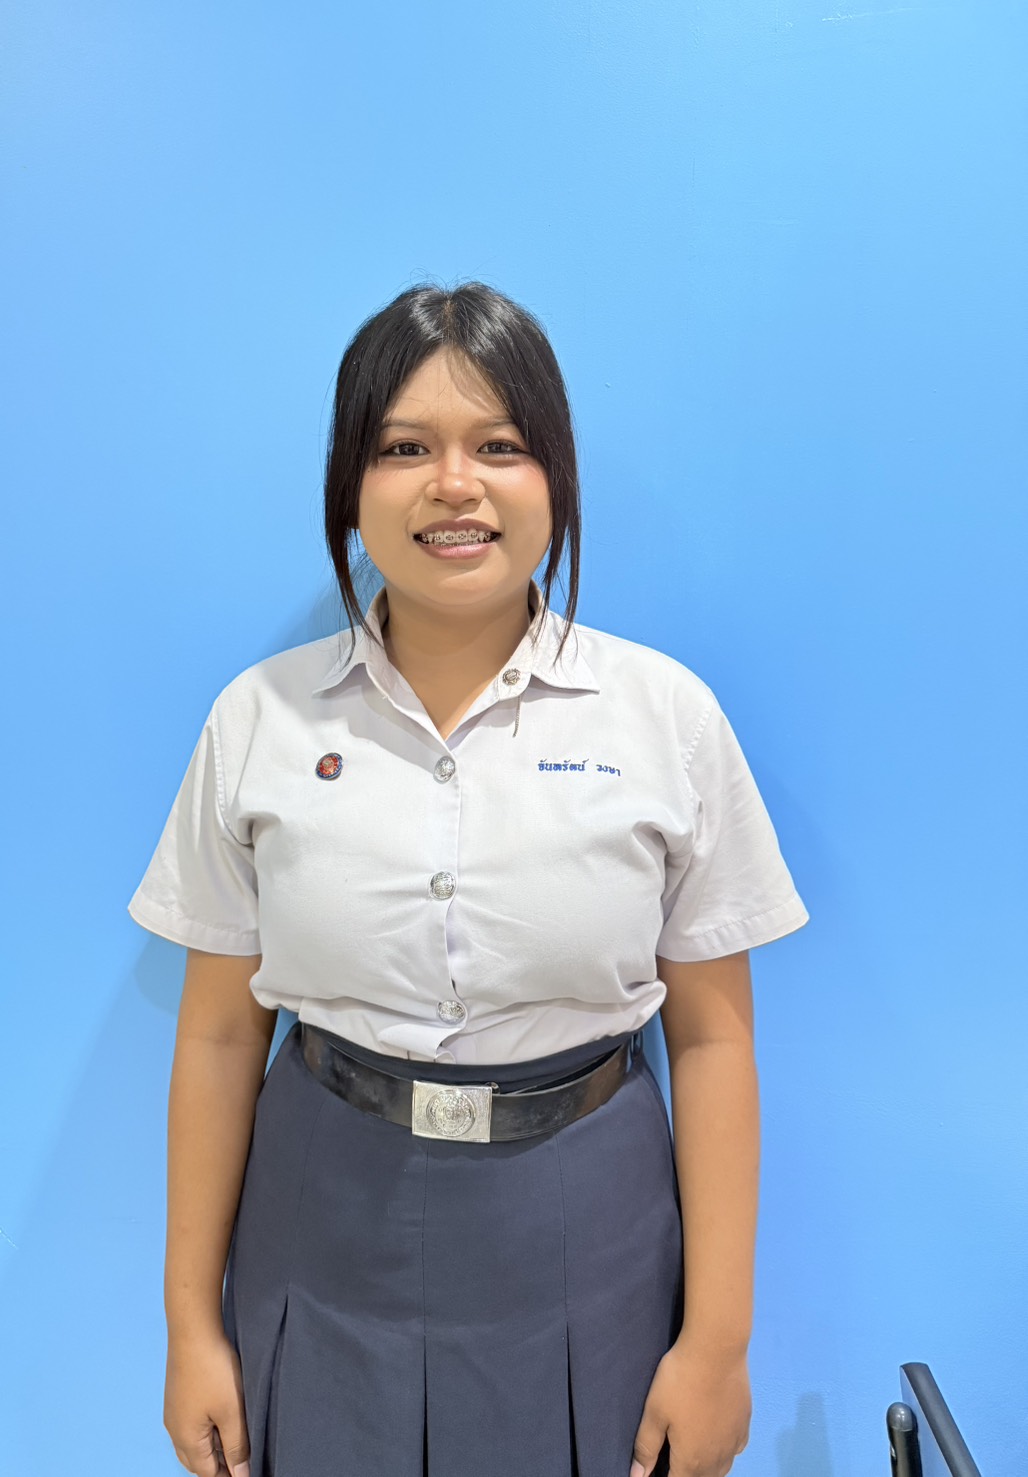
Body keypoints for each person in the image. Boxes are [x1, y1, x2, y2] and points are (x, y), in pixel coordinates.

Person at [127, 280, 809, 1477]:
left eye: (499, 445)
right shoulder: (259, 720)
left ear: (555, 478)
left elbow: (711, 1041)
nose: (454, 484)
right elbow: (222, 1036)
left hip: (589, 1218)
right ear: (349, 486)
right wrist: (190, 1326)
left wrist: (716, 1344)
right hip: (321, 1213)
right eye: (404, 448)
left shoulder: (665, 717)